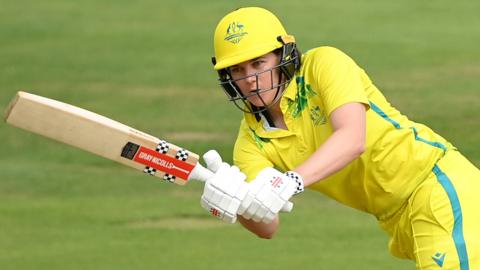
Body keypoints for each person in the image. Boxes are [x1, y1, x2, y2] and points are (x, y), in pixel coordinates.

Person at [198, 6, 479, 270]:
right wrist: (234, 201)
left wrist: (290, 181)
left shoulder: (323, 64)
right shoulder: (250, 142)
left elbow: (352, 137)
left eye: (258, 63)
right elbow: (268, 226)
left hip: (437, 187)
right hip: (396, 219)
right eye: (238, 70)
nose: (250, 79)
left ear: (283, 55)